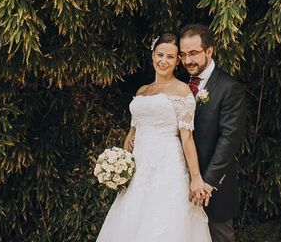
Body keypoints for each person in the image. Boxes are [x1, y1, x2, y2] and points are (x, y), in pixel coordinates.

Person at [96, 33, 212, 242]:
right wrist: (121, 160)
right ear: (152, 56)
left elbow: (187, 138)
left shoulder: (182, 91)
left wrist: (196, 178)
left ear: (177, 61)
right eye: (160, 55)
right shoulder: (142, 91)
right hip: (139, 168)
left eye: (170, 57)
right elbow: (134, 132)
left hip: (167, 168)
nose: (163, 61)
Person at [179, 23, 246, 242]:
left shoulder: (228, 88)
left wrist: (207, 182)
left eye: (193, 53)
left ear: (209, 51)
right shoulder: (179, 86)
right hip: (179, 179)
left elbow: (230, 139)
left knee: (220, 236)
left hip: (214, 185)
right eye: (183, 55)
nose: (187, 60)